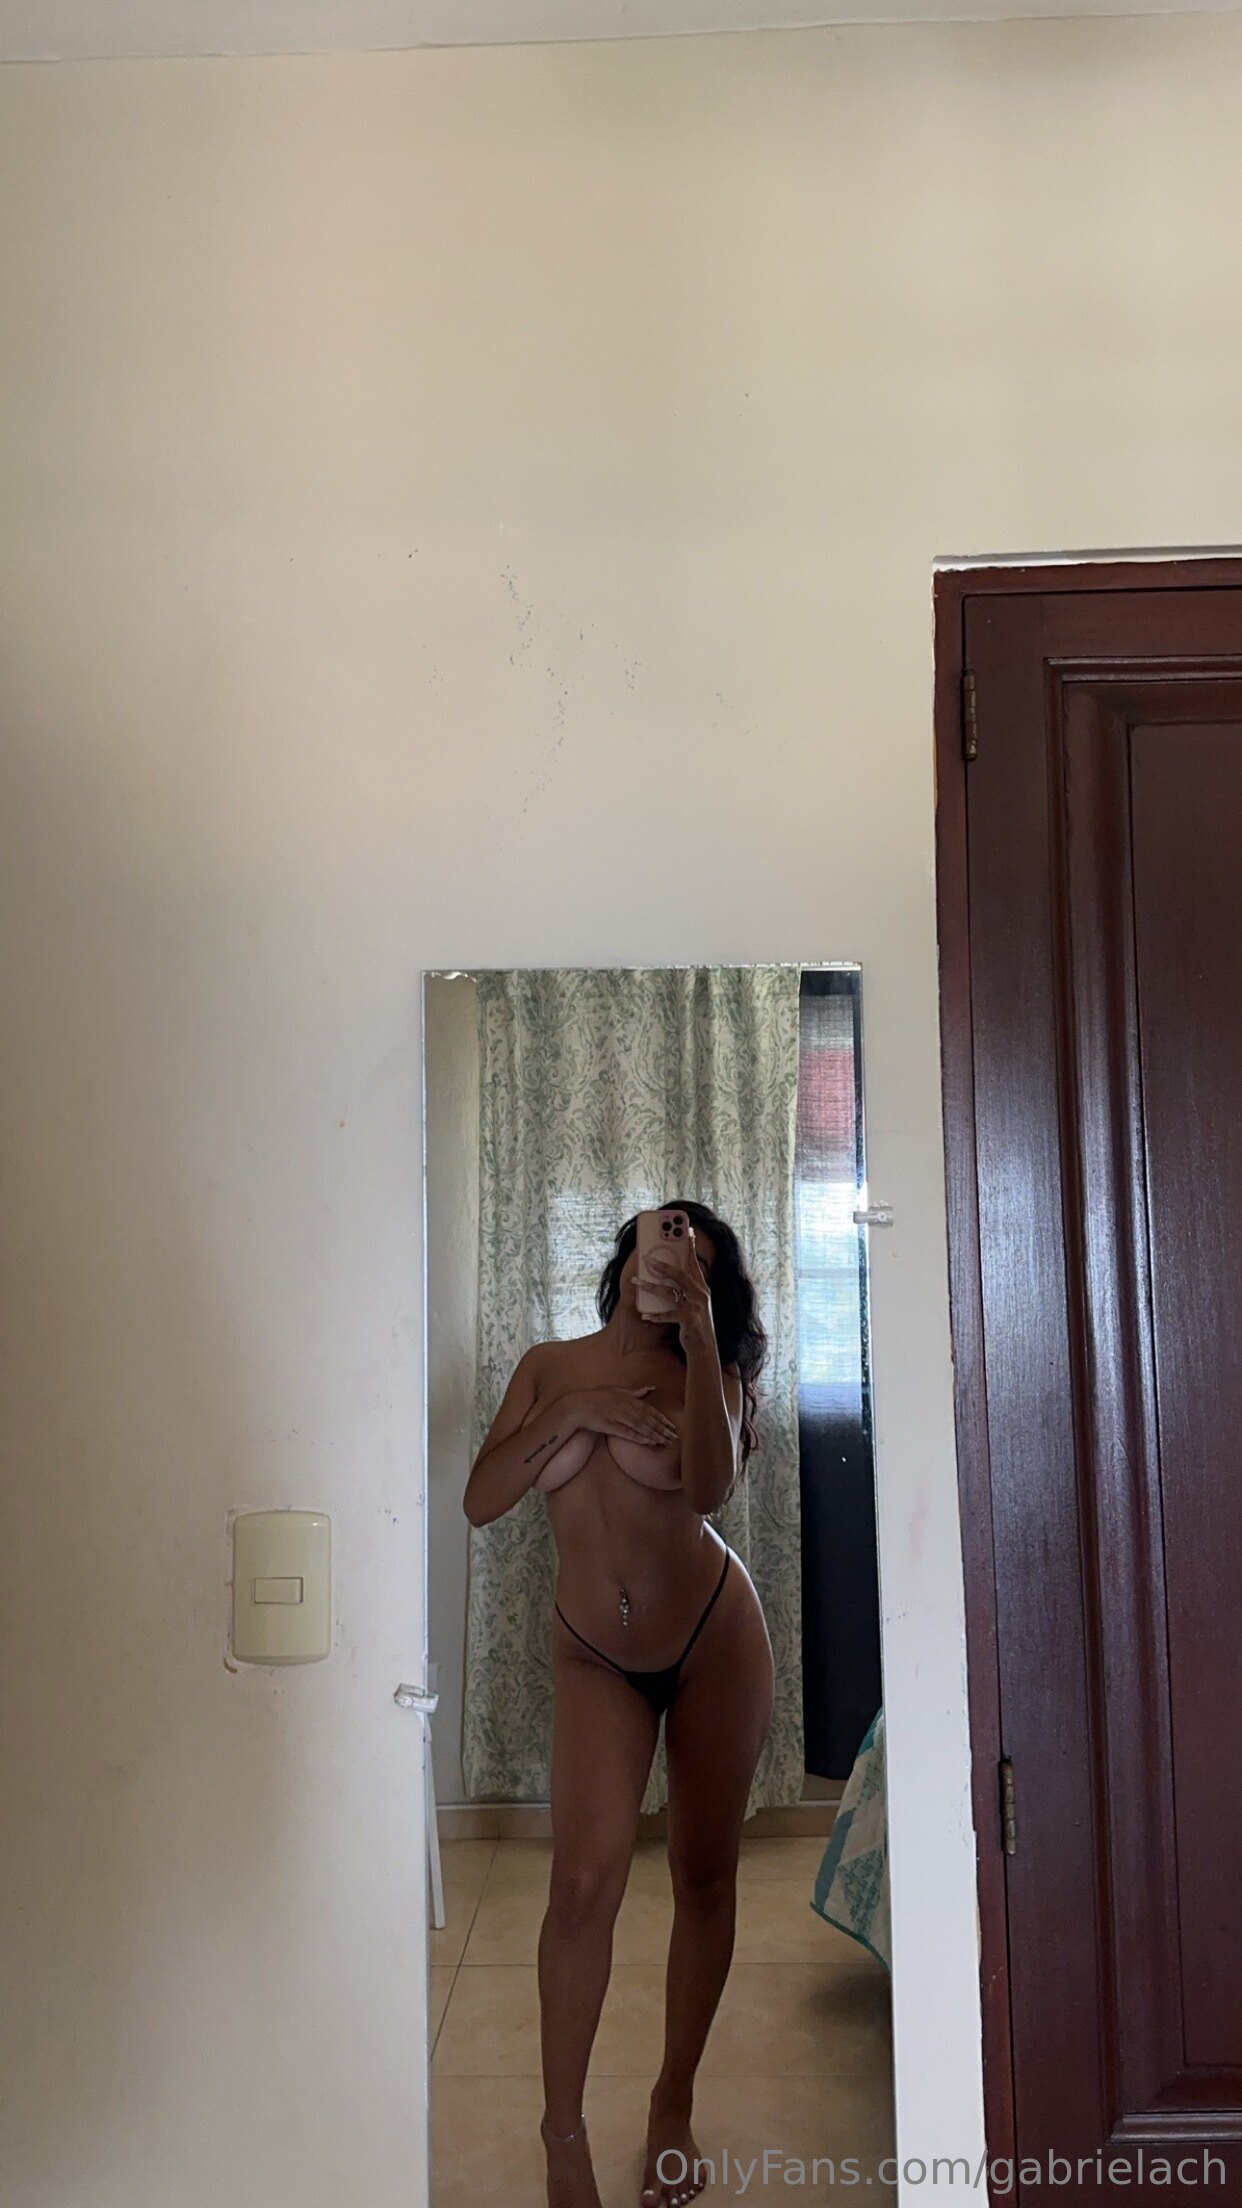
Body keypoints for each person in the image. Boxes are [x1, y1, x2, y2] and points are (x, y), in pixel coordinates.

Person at [463, 1202, 776, 2208]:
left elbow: (711, 1491)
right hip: (596, 1655)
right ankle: (563, 2136)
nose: (675, 1258)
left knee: (704, 1878)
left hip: (714, 1639)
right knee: (582, 1887)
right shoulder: (549, 1367)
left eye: (699, 1261)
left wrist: (702, 1342)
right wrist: (578, 1415)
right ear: (628, 1252)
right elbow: (481, 1499)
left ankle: (671, 2104)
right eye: (664, 1240)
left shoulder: (713, 1378)